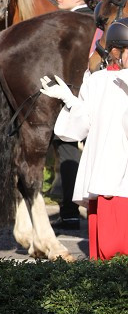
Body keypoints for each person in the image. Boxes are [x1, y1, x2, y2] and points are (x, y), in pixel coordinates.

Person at [40, 17, 128, 260]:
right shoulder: (98, 81)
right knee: (107, 256)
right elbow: (78, 128)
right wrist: (69, 99)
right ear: (115, 52)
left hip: (123, 181)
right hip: (106, 180)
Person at [50, 0, 97, 229]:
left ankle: (69, 211)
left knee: (66, 145)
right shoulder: (92, 19)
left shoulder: (73, 22)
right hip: (85, 92)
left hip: (75, 93)